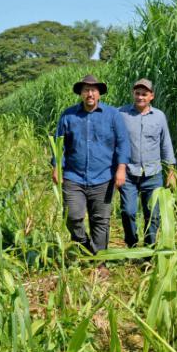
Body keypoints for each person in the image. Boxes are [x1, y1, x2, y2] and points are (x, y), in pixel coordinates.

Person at [51, 74, 130, 278]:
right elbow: (59, 144)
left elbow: (122, 143)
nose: (90, 93)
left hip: (103, 177)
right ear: (81, 93)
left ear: (99, 94)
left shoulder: (112, 115)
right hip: (73, 176)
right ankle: (86, 247)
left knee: (100, 220)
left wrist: (121, 168)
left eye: (94, 90)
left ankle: (100, 262)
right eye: (86, 90)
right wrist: (56, 166)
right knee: (73, 217)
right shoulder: (68, 116)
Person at [118, 78, 176, 247]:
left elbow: (166, 143)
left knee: (153, 214)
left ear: (152, 96)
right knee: (128, 211)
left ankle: (150, 248)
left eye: (144, 94)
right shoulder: (121, 114)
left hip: (153, 174)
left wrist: (171, 171)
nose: (140, 97)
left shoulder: (159, 116)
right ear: (133, 94)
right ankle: (132, 244)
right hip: (129, 173)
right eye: (137, 93)